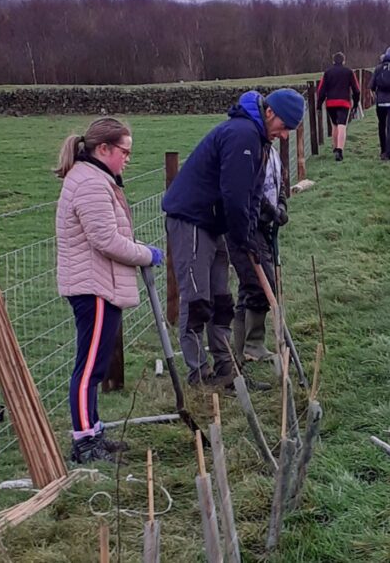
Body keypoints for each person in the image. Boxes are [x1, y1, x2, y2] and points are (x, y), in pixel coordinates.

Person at [161, 88, 304, 389]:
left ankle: (227, 373)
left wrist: (248, 233)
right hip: (192, 219)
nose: (286, 135)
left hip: (215, 222)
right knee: (198, 299)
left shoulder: (259, 141)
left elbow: (250, 197)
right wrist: (241, 236)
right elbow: (234, 195)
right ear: (269, 113)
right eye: (285, 126)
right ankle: (199, 378)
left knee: (221, 299)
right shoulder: (242, 136)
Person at [55, 117, 162, 464]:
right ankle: (85, 443)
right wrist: (145, 253)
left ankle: (94, 430)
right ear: (104, 149)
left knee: (94, 365)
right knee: (88, 369)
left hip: (98, 281)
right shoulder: (90, 184)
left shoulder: (96, 179)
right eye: (124, 152)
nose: (128, 159)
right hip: (93, 286)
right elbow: (105, 240)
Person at [228, 144, 288, 369]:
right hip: (250, 222)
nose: (283, 135)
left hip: (265, 223)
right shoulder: (251, 147)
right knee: (262, 284)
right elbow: (251, 189)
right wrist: (271, 211)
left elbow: (278, 181)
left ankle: (243, 350)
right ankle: (253, 344)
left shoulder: (272, 151)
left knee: (249, 285)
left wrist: (281, 204)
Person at [317, 52, 360, 162]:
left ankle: (335, 147)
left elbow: (321, 90)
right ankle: (340, 150)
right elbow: (356, 89)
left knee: (334, 125)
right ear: (344, 61)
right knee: (342, 126)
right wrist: (355, 103)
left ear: (333, 61)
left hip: (331, 102)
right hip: (344, 102)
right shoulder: (349, 72)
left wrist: (319, 105)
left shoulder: (327, 72)